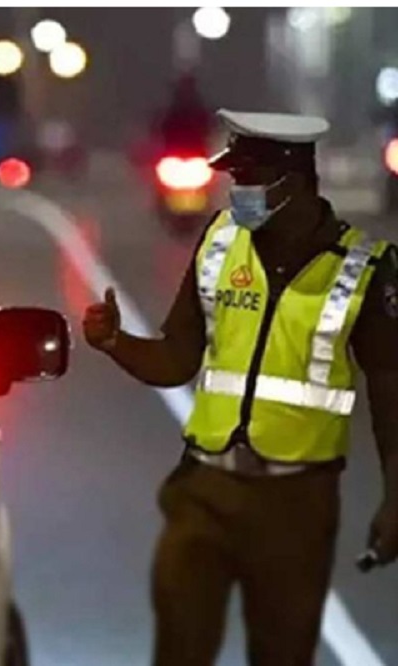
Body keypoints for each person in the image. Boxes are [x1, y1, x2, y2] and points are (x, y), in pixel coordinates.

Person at [84, 109, 398, 665]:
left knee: (282, 655)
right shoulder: (220, 241)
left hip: (295, 506)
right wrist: (115, 342)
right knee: (179, 650)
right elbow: (177, 359)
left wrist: (396, 499)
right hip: (204, 490)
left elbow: (392, 394)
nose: (238, 192)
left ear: (291, 181)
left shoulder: (362, 269)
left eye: (249, 178)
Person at [155, 74, 214, 155]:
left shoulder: (199, 112)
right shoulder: (171, 112)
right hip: (175, 152)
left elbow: (208, 127)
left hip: (193, 151)